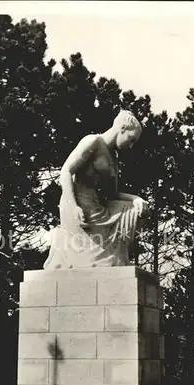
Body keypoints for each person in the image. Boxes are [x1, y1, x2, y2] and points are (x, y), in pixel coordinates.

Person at [44, 110, 148, 269]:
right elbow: (66, 171)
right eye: (131, 139)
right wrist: (73, 206)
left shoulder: (114, 157)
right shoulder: (93, 141)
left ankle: (116, 259)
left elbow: (113, 195)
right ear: (122, 129)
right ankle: (106, 259)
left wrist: (136, 199)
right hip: (77, 204)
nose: (131, 145)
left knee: (136, 211)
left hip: (96, 206)